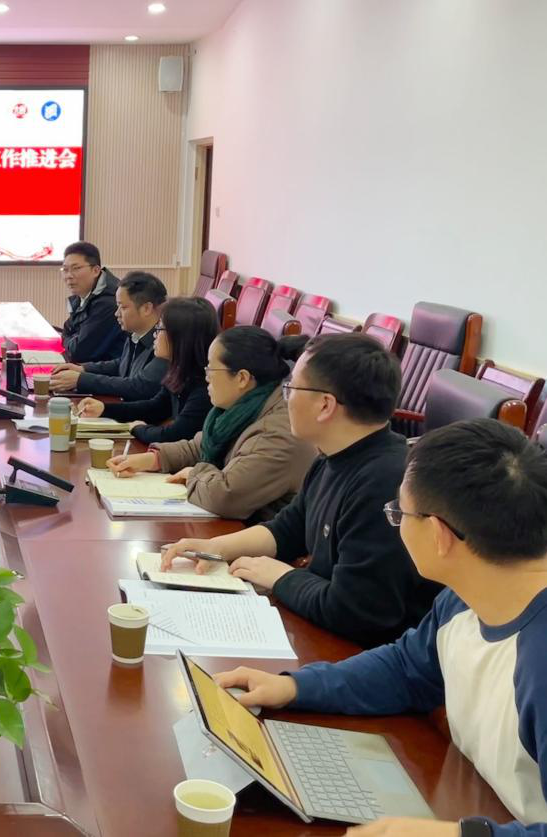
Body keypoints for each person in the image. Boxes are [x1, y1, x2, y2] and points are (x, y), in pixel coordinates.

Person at [213, 420, 547, 837]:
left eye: (399, 513)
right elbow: (406, 670)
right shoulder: (466, 597)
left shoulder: (538, 657)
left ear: (439, 535)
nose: (396, 523)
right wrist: (295, 686)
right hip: (468, 801)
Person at [161, 333, 438, 647]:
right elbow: (288, 528)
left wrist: (280, 577)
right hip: (324, 627)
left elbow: (356, 612)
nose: (285, 398)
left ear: (325, 405)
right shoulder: (331, 457)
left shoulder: (384, 483)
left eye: (291, 389)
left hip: (363, 650)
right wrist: (215, 548)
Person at [107, 326, 315, 522]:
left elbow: (226, 496)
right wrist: (153, 459)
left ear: (242, 378)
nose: (206, 377)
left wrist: (193, 474)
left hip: (260, 538)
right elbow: (199, 446)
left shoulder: (276, 433)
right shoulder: (245, 406)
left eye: (211, 369)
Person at [76, 297, 217, 444]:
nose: (155, 335)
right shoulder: (179, 370)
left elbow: (174, 435)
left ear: (181, 336)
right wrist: (104, 409)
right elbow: (155, 408)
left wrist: (137, 428)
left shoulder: (204, 386)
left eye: (160, 329)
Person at [49, 271, 168, 399]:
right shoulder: (135, 333)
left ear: (146, 309)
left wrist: (82, 380)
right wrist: (83, 369)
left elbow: (138, 386)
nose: (117, 313)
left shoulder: (164, 344)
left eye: (123, 307)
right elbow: (122, 364)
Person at [58, 241, 125, 364]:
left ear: (95, 270)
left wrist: (67, 338)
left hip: (107, 372)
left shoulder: (109, 302)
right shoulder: (82, 295)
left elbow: (78, 352)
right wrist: (70, 337)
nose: (69, 276)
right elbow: (68, 329)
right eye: (65, 269)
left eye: (76, 268)